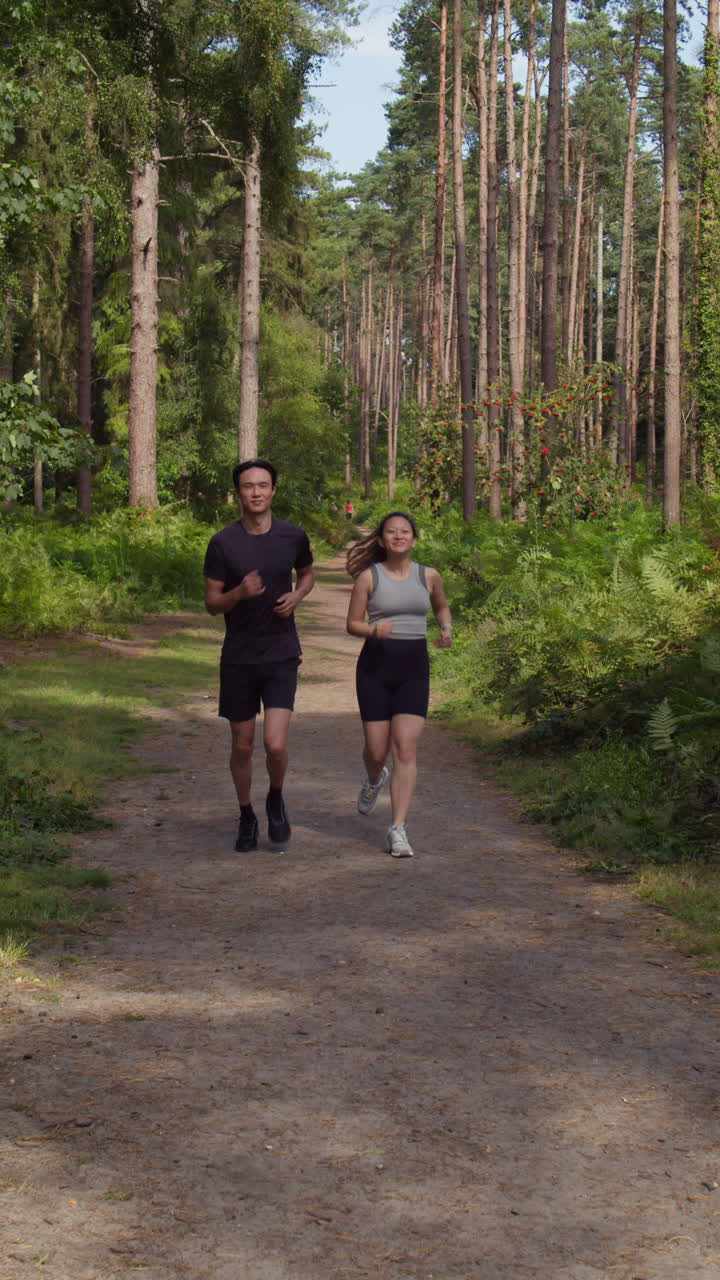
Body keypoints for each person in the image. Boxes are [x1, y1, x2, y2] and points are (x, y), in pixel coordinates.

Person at [204, 460, 315, 852]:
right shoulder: (222, 543)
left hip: (281, 652)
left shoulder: (292, 536)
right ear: (238, 493)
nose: (256, 492)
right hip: (238, 656)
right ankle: (247, 814)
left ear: (273, 491)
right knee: (243, 745)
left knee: (276, 745)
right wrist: (238, 594)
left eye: (263, 485)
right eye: (248, 486)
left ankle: (276, 798)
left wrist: (298, 596)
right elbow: (212, 603)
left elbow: (307, 573)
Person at [346, 511, 452, 858]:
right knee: (377, 753)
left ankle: (398, 829)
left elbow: (441, 607)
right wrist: (373, 629)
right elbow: (352, 624)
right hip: (375, 669)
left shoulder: (429, 575)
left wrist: (446, 628)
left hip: (414, 669)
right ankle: (374, 778)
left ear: (414, 539)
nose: (398, 536)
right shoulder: (368, 578)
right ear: (381, 540)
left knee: (405, 747)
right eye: (391, 532)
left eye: (404, 531)